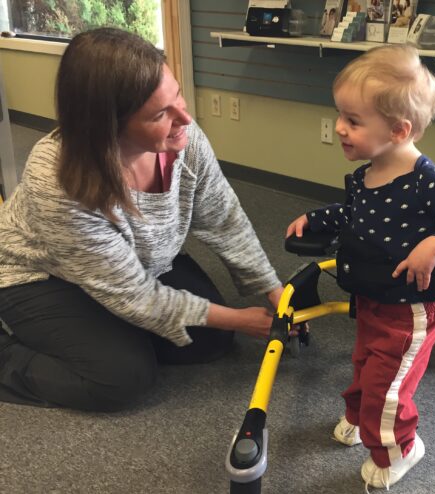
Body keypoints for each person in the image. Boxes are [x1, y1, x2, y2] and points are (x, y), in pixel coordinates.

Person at [0, 28, 284, 411]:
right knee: (122, 378)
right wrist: (239, 319)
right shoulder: (54, 179)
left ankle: (106, 326)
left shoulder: (184, 137)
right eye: (159, 114)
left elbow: (224, 220)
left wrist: (275, 291)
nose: (184, 117)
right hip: (39, 276)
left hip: (135, 264)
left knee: (210, 342)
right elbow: (134, 296)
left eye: (178, 94)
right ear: (108, 126)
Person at [286, 45, 435, 490]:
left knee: (387, 387)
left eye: (353, 121)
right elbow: (352, 214)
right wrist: (314, 218)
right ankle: (360, 420)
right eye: (340, 114)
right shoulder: (366, 175)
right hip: (372, 299)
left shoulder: (428, 178)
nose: (339, 127)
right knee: (363, 367)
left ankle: (403, 448)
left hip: (411, 308)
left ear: (399, 129)